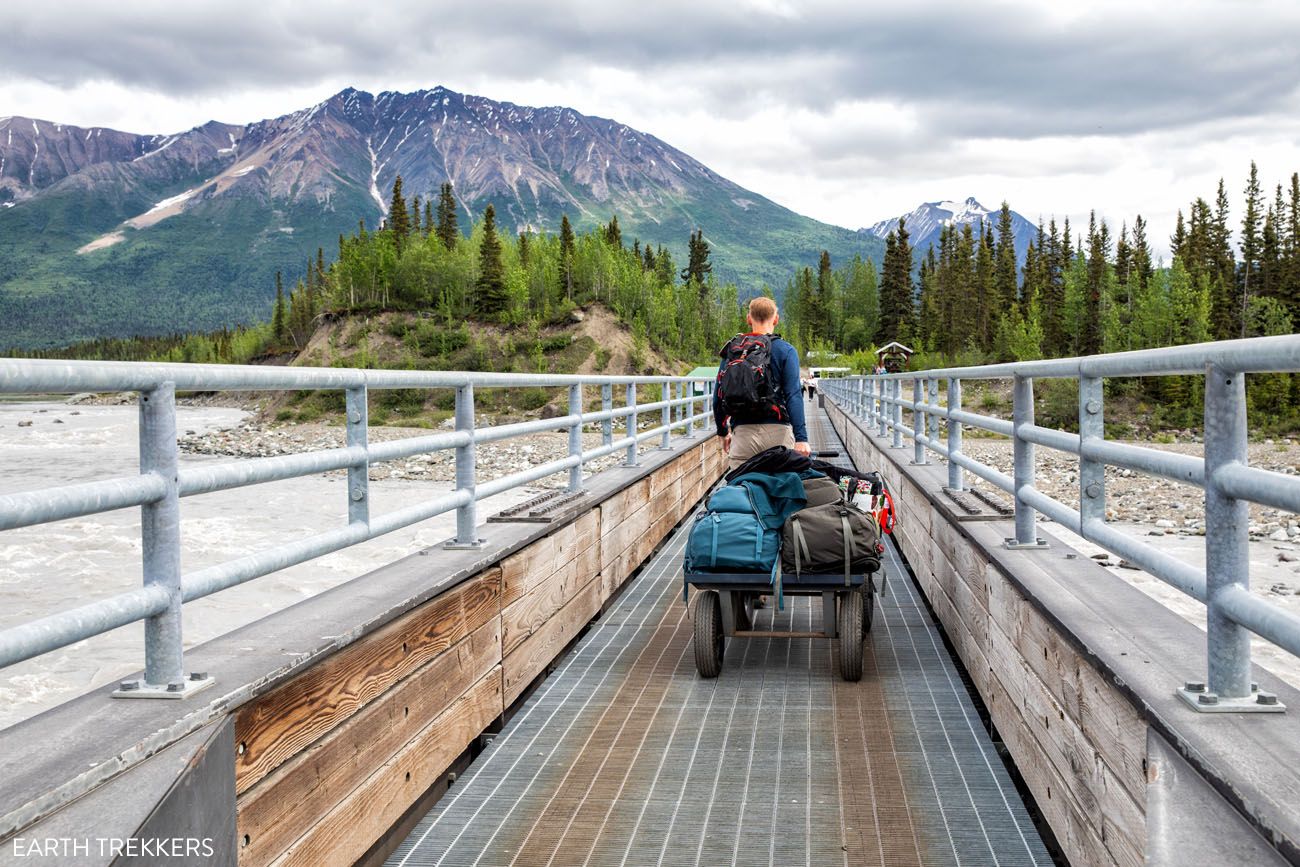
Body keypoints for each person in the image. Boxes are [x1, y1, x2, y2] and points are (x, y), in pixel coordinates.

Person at [714, 297, 810, 471]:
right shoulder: (786, 350)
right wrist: (801, 438)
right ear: (776, 319)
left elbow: (718, 397)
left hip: (743, 435)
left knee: (740, 491)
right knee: (782, 491)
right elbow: (793, 396)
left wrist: (723, 433)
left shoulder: (734, 351)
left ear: (748, 318)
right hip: (778, 436)